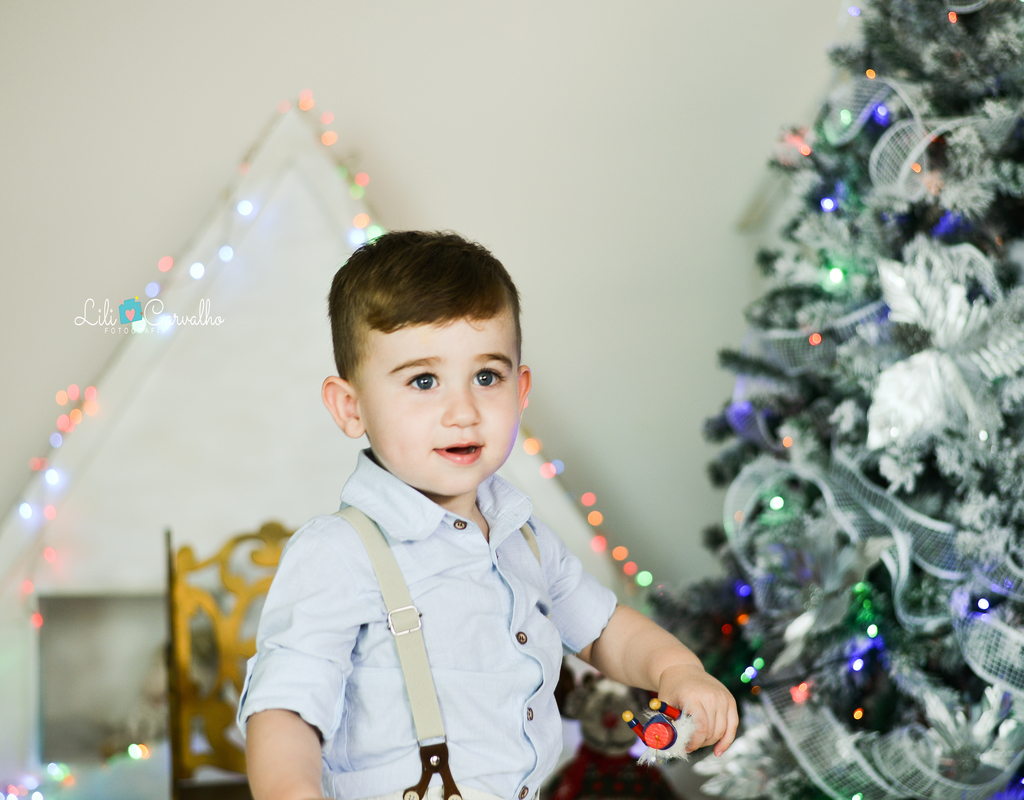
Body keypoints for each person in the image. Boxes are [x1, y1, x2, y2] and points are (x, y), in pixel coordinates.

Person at [237, 231, 738, 800]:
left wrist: (677, 671)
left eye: (486, 377)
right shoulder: (338, 553)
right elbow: (285, 709)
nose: (463, 411)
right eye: (423, 381)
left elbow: (602, 631)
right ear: (351, 407)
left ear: (520, 390)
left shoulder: (522, 536)